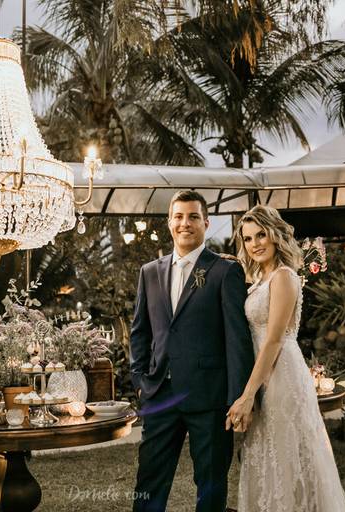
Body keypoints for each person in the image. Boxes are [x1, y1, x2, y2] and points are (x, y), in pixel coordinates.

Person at [130, 190, 254, 512]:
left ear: (206, 224)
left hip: (209, 398)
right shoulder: (149, 272)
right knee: (149, 482)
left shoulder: (224, 271)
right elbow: (140, 331)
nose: (185, 223)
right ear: (169, 222)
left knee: (210, 485)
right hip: (160, 395)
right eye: (179, 216)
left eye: (193, 217)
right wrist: (140, 380)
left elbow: (237, 339)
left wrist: (237, 397)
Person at [225, 205, 345, 512]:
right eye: (247, 239)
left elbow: (273, 340)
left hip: (281, 374)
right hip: (263, 373)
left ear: (275, 234)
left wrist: (247, 395)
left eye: (260, 235)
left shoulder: (283, 276)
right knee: (267, 453)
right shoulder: (261, 277)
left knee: (285, 455)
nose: (254, 244)